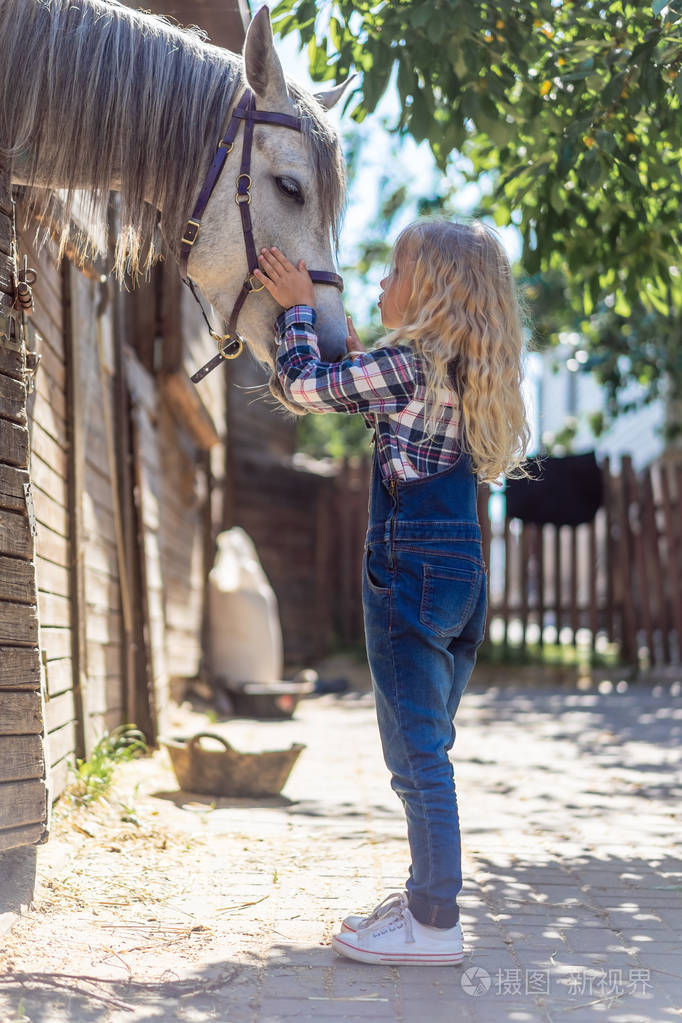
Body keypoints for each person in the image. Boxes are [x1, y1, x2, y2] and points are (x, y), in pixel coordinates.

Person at [254, 219, 530, 966]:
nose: (380, 282)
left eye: (396, 270)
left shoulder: (407, 363)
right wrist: (338, 343)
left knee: (417, 757)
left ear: (432, 289)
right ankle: (422, 898)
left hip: (410, 570)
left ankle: (435, 921)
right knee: (426, 747)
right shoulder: (462, 368)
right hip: (460, 573)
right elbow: (364, 394)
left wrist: (297, 310)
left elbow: (305, 388)